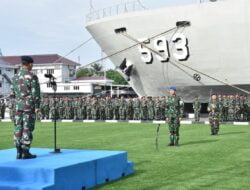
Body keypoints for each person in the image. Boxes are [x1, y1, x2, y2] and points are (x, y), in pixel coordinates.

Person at [11, 56, 40, 159]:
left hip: (18, 106)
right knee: (27, 128)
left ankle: (18, 151)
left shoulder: (15, 76)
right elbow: (35, 93)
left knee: (18, 127)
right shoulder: (32, 76)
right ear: (30, 64)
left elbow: (12, 93)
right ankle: (25, 152)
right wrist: (37, 106)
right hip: (29, 106)